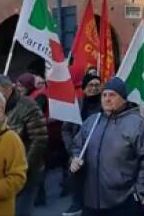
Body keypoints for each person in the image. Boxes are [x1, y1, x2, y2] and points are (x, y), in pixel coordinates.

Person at [70, 77, 144, 216]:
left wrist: (140, 192)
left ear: (123, 98)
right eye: (104, 95)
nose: (107, 99)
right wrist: (75, 158)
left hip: (123, 202)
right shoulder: (92, 122)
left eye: (112, 95)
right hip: (91, 200)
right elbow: (77, 146)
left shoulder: (136, 124)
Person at [0, 74, 48, 216]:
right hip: (0, 174)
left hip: (25, 173)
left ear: (9, 89)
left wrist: (22, 168)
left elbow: (39, 140)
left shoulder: (28, 106)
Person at [60, 73, 102, 216]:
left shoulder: (105, 106)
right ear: (83, 88)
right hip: (77, 150)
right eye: (90, 85)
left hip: (98, 150)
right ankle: (76, 203)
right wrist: (71, 148)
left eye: (97, 85)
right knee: (76, 177)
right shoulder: (76, 105)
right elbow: (66, 129)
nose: (94, 88)